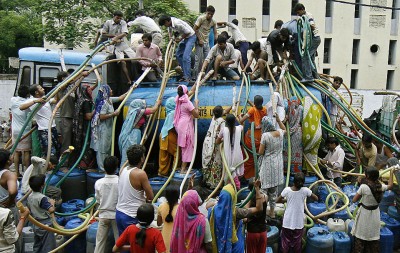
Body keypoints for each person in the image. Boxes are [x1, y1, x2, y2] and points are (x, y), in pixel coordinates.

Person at [208, 181, 263, 253]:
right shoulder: (236, 212)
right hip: (235, 247)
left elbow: (207, 205)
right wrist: (256, 189)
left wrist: (218, 202)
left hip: (219, 246)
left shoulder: (213, 210)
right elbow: (258, 209)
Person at [351, 167, 394, 253]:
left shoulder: (363, 187)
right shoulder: (380, 186)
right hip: (375, 213)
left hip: (364, 213)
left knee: (361, 235)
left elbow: (354, 200)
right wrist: (391, 172)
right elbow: (390, 186)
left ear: (367, 176)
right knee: (373, 235)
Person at [116, 145, 154, 235]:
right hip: (132, 216)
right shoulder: (140, 174)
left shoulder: (123, 169)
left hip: (119, 213)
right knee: (135, 246)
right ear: (142, 158)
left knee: (124, 245)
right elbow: (151, 196)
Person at [277, 172, 318, 253]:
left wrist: (287, 200)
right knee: (297, 245)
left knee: (285, 244)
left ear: (293, 181)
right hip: (298, 223)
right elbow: (316, 198)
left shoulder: (287, 190)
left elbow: (278, 200)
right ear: (303, 183)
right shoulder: (305, 190)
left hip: (287, 222)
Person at [90, 85, 127, 171]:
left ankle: (108, 167)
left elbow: (121, 98)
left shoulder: (109, 99)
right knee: (102, 148)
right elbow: (101, 116)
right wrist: (113, 114)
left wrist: (132, 88)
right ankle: (102, 168)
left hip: (108, 127)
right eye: (110, 89)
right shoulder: (103, 103)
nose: (111, 90)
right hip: (102, 128)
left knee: (107, 147)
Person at [20, 84, 60, 158]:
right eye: (41, 88)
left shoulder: (45, 99)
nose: (43, 89)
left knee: (57, 148)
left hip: (52, 126)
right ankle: (48, 167)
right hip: (44, 129)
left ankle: (54, 166)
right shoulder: (32, 100)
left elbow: (55, 100)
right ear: (36, 92)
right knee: (49, 151)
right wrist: (36, 101)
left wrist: (57, 90)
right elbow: (21, 107)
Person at [258, 115, 286, 218]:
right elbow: (285, 129)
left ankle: (262, 212)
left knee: (264, 190)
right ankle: (272, 212)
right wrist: (279, 120)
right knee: (273, 191)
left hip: (267, 165)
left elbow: (261, 152)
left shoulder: (265, 135)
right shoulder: (280, 133)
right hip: (278, 165)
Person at [118, 99, 161, 166]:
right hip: (132, 135)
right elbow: (153, 110)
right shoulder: (138, 111)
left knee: (134, 153)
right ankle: (126, 169)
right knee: (131, 153)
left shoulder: (134, 112)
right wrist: (157, 103)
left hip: (136, 133)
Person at [159, 15, 196, 82]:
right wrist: (171, 37)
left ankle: (188, 77)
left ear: (167, 21)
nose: (165, 26)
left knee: (186, 57)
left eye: (164, 24)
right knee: (178, 55)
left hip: (190, 36)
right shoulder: (170, 24)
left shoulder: (177, 23)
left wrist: (180, 39)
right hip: (185, 37)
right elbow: (170, 30)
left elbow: (188, 32)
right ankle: (185, 74)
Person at [102, 11, 136, 84]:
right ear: (114, 16)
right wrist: (113, 37)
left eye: (120, 18)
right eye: (117, 18)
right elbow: (104, 33)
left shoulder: (123, 22)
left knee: (135, 58)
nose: (118, 20)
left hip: (122, 44)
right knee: (122, 61)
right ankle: (128, 80)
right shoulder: (108, 22)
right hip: (112, 45)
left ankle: (136, 76)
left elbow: (125, 33)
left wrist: (117, 37)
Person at [94, 156, 119, 253]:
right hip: (116, 215)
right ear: (116, 168)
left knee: (99, 243)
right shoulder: (120, 181)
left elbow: (98, 199)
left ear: (104, 168)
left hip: (103, 215)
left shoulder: (98, 183)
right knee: (119, 243)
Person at [202, 106, 231, 188]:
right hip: (216, 145)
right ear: (221, 113)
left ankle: (207, 181)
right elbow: (222, 134)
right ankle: (215, 184)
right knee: (216, 162)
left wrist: (232, 106)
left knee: (209, 162)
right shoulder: (222, 122)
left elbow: (224, 111)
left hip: (208, 143)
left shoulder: (214, 118)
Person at [239, 95, 267, 179]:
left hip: (251, 138)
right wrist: (251, 103)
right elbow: (257, 110)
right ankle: (256, 176)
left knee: (248, 157)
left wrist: (240, 116)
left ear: (255, 103)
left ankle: (245, 176)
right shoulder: (264, 109)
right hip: (261, 137)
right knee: (258, 157)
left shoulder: (252, 110)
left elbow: (241, 121)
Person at [173, 85, 199, 173]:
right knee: (187, 146)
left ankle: (183, 167)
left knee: (184, 147)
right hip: (186, 126)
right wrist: (196, 105)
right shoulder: (187, 102)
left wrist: (197, 83)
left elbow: (190, 91)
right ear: (185, 92)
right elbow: (196, 115)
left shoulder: (178, 98)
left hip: (180, 124)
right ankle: (183, 169)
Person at [27, 174, 56, 252]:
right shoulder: (42, 198)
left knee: (37, 245)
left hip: (35, 223)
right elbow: (51, 210)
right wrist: (52, 203)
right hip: (45, 224)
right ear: (42, 186)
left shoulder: (30, 196)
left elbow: (29, 209)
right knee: (48, 246)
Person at [294, 3, 321, 83]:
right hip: (314, 39)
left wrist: (307, 25)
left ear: (302, 9)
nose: (298, 15)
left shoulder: (308, 16)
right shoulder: (304, 16)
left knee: (305, 56)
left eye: (298, 12)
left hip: (314, 39)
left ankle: (308, 77)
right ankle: (316, 76)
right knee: (311, 59)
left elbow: (312, 25)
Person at [216, 114, 244, 189]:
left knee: (228, 172)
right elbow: (242, 125)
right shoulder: (239, 128)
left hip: (227, 156)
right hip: (237, 155)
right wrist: (239, 117)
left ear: (226, 122)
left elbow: (217, 142)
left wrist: (223, 139)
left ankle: (229, 188)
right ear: (234, 121)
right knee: (235, 172)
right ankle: (236, 187)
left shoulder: (223, 130)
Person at [71, 83, 95, 169]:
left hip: (80, 128)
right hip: (85, 128)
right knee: (86, 146)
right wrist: (96, 109)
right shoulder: (86, 102)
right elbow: (88, 116)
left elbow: (91, 88)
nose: (90, 89)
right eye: (88, 88)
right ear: (85, 90)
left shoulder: (80, 99)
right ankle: (83, 164)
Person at [10, 85, 31, 176]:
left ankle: (17, 173)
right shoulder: (28, 102)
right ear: (27, 94)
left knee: (16, 152)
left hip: (15, 130)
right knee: (26, 151)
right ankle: (26, 173)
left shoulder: (13, 100)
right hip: (25, 130)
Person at [193, 5, 218, 77]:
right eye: (208, 14)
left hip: (206, 42)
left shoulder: (213, 22)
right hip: (199, 42)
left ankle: (206, 75)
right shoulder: (201, 18)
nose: (210, 16)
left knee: (208, 59)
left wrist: (217, 38)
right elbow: (194, 29)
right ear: (206, 12)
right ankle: (195, 76)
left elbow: (215, 32)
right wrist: (199, 39)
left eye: (211, 14)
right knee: (198, 60)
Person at [245, 180, 268, 253]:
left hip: (253, 232)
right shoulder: (265, 197)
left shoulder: (249, 200)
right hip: (263, 232)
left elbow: (245, 217)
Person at [56, 71, 76, 154]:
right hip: (65, 117)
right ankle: (63, 163)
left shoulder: (70, 88)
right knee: (66, 142)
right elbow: (66, 83)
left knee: (71, 141)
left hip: (71, 117)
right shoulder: (60, 87)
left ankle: (68, 161)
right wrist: (80, 75)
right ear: (63, 78)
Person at [302, 96, 322, 173]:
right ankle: (313, 172)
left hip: (307, 137)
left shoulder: (303, 110)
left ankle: (310, 171)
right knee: (313, 156)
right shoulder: (316, 108)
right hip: (317, 135)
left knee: (307, 155)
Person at [283, 96, 303, 173]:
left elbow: (284, 119)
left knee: (287, 152)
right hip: (298, 132)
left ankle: (286, 170)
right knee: (297, 152)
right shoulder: (301, 108)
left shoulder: (288, 109)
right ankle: (296, 171)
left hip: (288, 132)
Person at [158, 97, 178, 176]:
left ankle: (162, 172)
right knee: (177, 152)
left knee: (164, 156)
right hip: (169, 135)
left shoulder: (168, 111)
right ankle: (175, 171)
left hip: (163, 135)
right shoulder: (174, 113)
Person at [157, 185, 179, 253]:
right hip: (176, 239)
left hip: (164, 239)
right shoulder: (181, 208)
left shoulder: (161, 206)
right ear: (178, 196)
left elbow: (158, 223)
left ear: (165, 196)